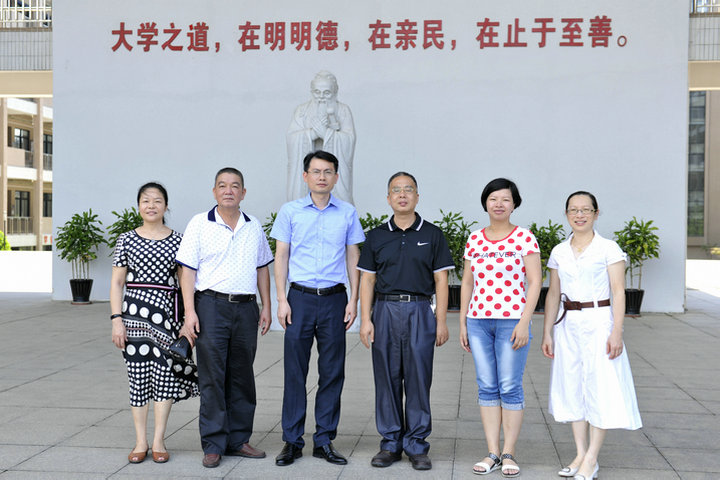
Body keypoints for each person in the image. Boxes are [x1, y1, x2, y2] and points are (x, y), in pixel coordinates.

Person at [271, 150, 364, 466]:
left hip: (335, 299)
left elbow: (353, 255)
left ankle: (324, 440)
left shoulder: (347, 213)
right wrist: (282, 299)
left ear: (336, 177)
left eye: (327, 172)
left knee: (332, 371)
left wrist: (353, 300)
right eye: (316, 171)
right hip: (299, 298)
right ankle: (292, 441)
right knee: (295, 372)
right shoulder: (290, 211)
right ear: (305, 176)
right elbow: (281, 255)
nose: (321, 177)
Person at [176, 168, 273, 469]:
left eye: (235, 186)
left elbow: (262, 268)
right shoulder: (199, 223)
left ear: (243, 193)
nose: (228, 190)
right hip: (211, 306)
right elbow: (187, 271)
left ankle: (239, 439)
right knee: (213, 377)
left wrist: (266, 306)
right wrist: (189, 312)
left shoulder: (253, 226)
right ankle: (214, 444)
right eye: (222, 185)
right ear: (214, 191)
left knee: (242, 376)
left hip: (246, 308)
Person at [541, 191, 641, 480]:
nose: (580, 215)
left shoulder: (608, 248)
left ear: (596, 213)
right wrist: (548, 332)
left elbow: (618, 291)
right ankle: (580, 454)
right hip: (568, 324)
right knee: (572, 385)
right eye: (574, 210)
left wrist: (617, 331)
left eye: (586, 209)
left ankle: (592, 458)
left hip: (599, 321)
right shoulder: (560, 251)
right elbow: (554, 294)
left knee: (600, 386)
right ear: (566, 214)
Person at [358, 171, 454, 471]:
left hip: (420, 310)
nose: (402, 194)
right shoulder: (376, 236)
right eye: (396, 190)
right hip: (385, 311)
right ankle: (390, 443)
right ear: (388, 198)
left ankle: (416, 444)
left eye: (408, 189)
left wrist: (441, 321)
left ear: (417, 196)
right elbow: (367, 281)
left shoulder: (433, 234)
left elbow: (441, 280)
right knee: (386, 378)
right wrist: (365, 320)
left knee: (418, 378)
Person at [110, 182, 199, 465]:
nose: (151, 205)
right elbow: (117, 283)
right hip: (133, 318)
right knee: (137, 378)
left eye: (157, 200)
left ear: (166, 206)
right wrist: (116, 320)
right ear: (138, 206)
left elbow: (185, 283)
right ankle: (141, 441)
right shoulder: (126, 239)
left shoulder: (179, 240)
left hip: (167, 318)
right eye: (146, 200)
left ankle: (159, 440)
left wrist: (186, 320)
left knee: (164, 378)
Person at [459, 177, 541, 477]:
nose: (499, 204)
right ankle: (492, 452)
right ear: (485, 203)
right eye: (493, 199)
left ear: (514, 204)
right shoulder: (475, 239)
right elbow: (467, 283)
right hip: (478, 321)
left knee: (509, 385)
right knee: (486, 385)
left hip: (512, 322)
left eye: (505, 199)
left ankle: (509, 452)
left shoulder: (524, 238)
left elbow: (535, 281)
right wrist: (463, 322)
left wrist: (524, 321)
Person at [286, 71, 356, 204]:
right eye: (317, 92)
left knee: (340, 205)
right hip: (310, 171)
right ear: (311, 91)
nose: (321, 97)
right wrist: (312, 134)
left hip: (331, 170)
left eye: (326, 93)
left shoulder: (343, 110)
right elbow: (291, 138)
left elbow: (349, 140)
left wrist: (325, 133)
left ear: (335, 92)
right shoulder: (301, 111)